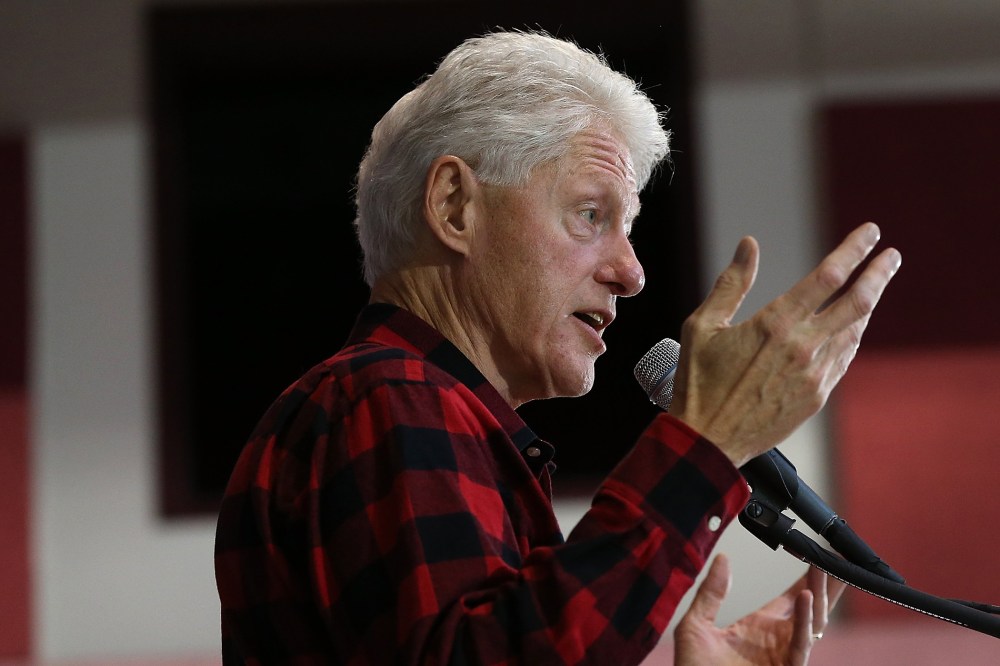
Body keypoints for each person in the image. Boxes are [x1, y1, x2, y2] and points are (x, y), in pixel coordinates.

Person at [214, 30, 899, 665]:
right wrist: (706, 444)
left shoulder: (413, 407)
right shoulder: (390, 396)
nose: (631, 273)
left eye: (627, 228)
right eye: (591, 215)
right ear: (455, 206)